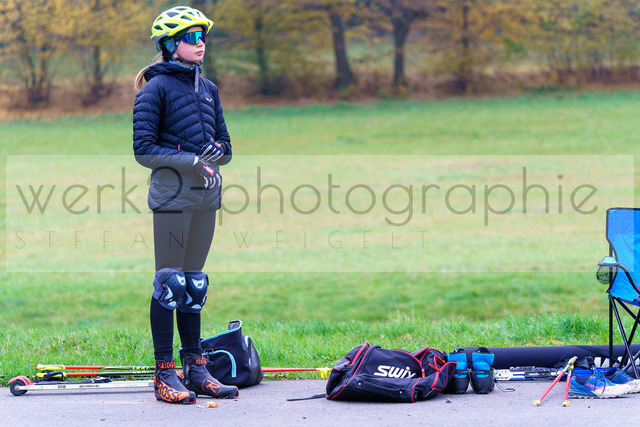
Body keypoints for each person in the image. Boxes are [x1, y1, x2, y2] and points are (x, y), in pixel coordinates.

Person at [132, 6, 237, 405]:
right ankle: (164, 373)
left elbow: (226, 146)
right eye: (192, 38)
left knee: (194, 283)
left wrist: (216, 152)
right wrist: (192, 161)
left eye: (203, 37)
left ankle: (196, 368)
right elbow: (144, 150)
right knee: (169, 283)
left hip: (206, 197)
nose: (200, 44)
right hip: (172, 198)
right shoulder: (155, 89)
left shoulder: (208, 88)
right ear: (170, 44)